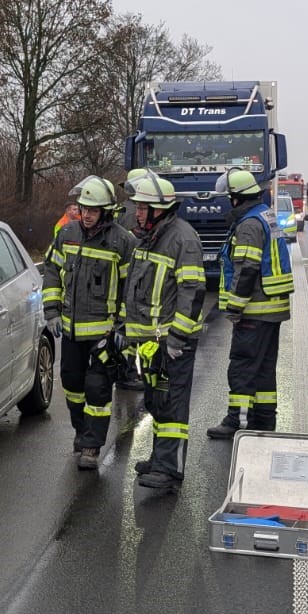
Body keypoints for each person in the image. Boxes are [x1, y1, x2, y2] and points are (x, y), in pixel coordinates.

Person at [41, 176, 136, 470]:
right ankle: (81, 432)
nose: (87, 214)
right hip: (70, 331)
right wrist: (52, 310)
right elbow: (52, 270)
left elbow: (130, 289)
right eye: (83, 208)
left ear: (105, 211)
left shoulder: (123, 242)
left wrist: (121, 328)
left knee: (97, 389)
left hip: (103, 333)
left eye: (93, 210)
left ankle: (92, 446)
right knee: (72, 385)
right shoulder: (67, 233)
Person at [120, 170, 206, 491]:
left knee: (172, 403)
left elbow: (193, 290)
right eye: (138, 207)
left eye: (143, 207)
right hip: (149, 342)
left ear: (162, 209)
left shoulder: (182, 239)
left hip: (172, 342)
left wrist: (178, 338)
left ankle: (170, 470)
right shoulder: (148, 238)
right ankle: (159, 460)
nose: (138, 212)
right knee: (157, 402)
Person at [207, 168, 293, 439]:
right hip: (271, 309)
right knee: (264, 370)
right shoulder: (266, 216)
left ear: (237, 199)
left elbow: (246, 269)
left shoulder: (248, 225)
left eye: (229, 197)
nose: (227, 203)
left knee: (242, 367)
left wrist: (234, 307)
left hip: (254, 309)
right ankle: (264, 421)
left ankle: (238, 422)